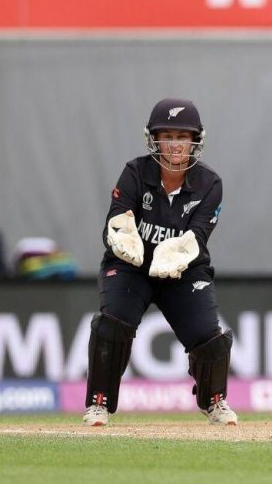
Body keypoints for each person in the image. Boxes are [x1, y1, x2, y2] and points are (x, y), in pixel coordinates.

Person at [83, 98, 237, 427]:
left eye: (183, 137)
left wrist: (176, 255)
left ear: (196, 140)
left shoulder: (211, 184)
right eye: (167, 135)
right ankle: (99, 402)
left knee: (209, 336)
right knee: (115, 321)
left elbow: (198, 236)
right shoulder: (135, 172)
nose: (175, 144)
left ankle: (214, 401)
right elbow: (117, 220)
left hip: (181, 269)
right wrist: (125, 242)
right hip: (132, 266)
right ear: (153, 139)